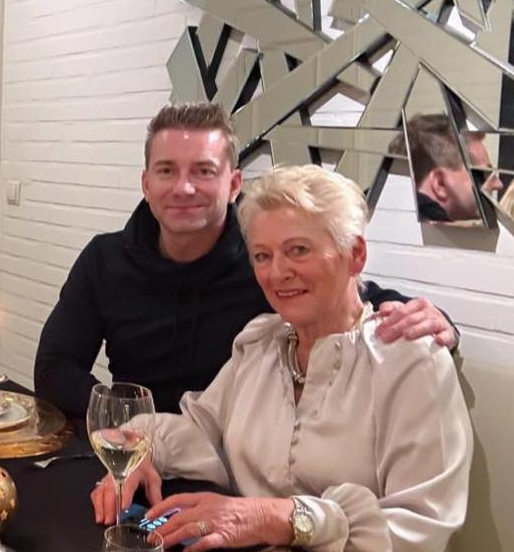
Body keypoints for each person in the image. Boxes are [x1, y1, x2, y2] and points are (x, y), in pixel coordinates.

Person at [91, 165, 472, 552]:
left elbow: (421, 534)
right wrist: (142, 446)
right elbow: (203, 430)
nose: (276, 273)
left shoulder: (410, 362)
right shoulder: (260, 343)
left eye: (298, 250)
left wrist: (277, 517)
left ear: (355, 255)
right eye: (262, 256)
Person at [34, 102, 457, 419]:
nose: (183, 188)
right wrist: (128, 421)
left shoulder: (268, 265)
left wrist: (440, 322)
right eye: (166, 171)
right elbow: (55, 367)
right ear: (146, 184)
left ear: (234, 183)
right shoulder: (104, 260)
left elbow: (351, 294)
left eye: (203, 171)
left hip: (235, 468)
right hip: (139, 451)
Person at [389, 113, 490, 222]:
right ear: (440, 183)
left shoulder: (387, 217)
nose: (498, 184)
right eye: (482, 175)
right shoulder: (417, 230)